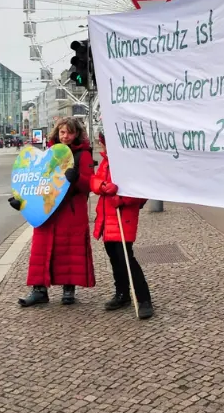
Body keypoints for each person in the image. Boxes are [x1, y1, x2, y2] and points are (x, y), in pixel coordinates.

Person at [9, 116, 95, 307]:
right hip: (47, 208)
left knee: (70, 250)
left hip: (71, 210)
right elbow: (36, 180)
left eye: (70, 132)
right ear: (57, 133)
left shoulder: (83, 155)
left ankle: (68, 289)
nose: (66, 136)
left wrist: (77, 178)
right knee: (40, 250)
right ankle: (39, 290)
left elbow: (89, 184)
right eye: (63, 132)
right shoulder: (49, 153)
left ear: (77, 134)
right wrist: (22, 200)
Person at [90, 131, 153, 319]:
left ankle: (143, 299)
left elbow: (142, 190)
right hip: (106, 219)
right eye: (103, 144)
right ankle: (122, 293)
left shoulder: (129, 164)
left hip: (122, 218)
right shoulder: (107, 162)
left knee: (126, 258)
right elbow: (94, 180)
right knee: (115, 259)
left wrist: (123, 199)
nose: (104, 148)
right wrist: (102, 187)